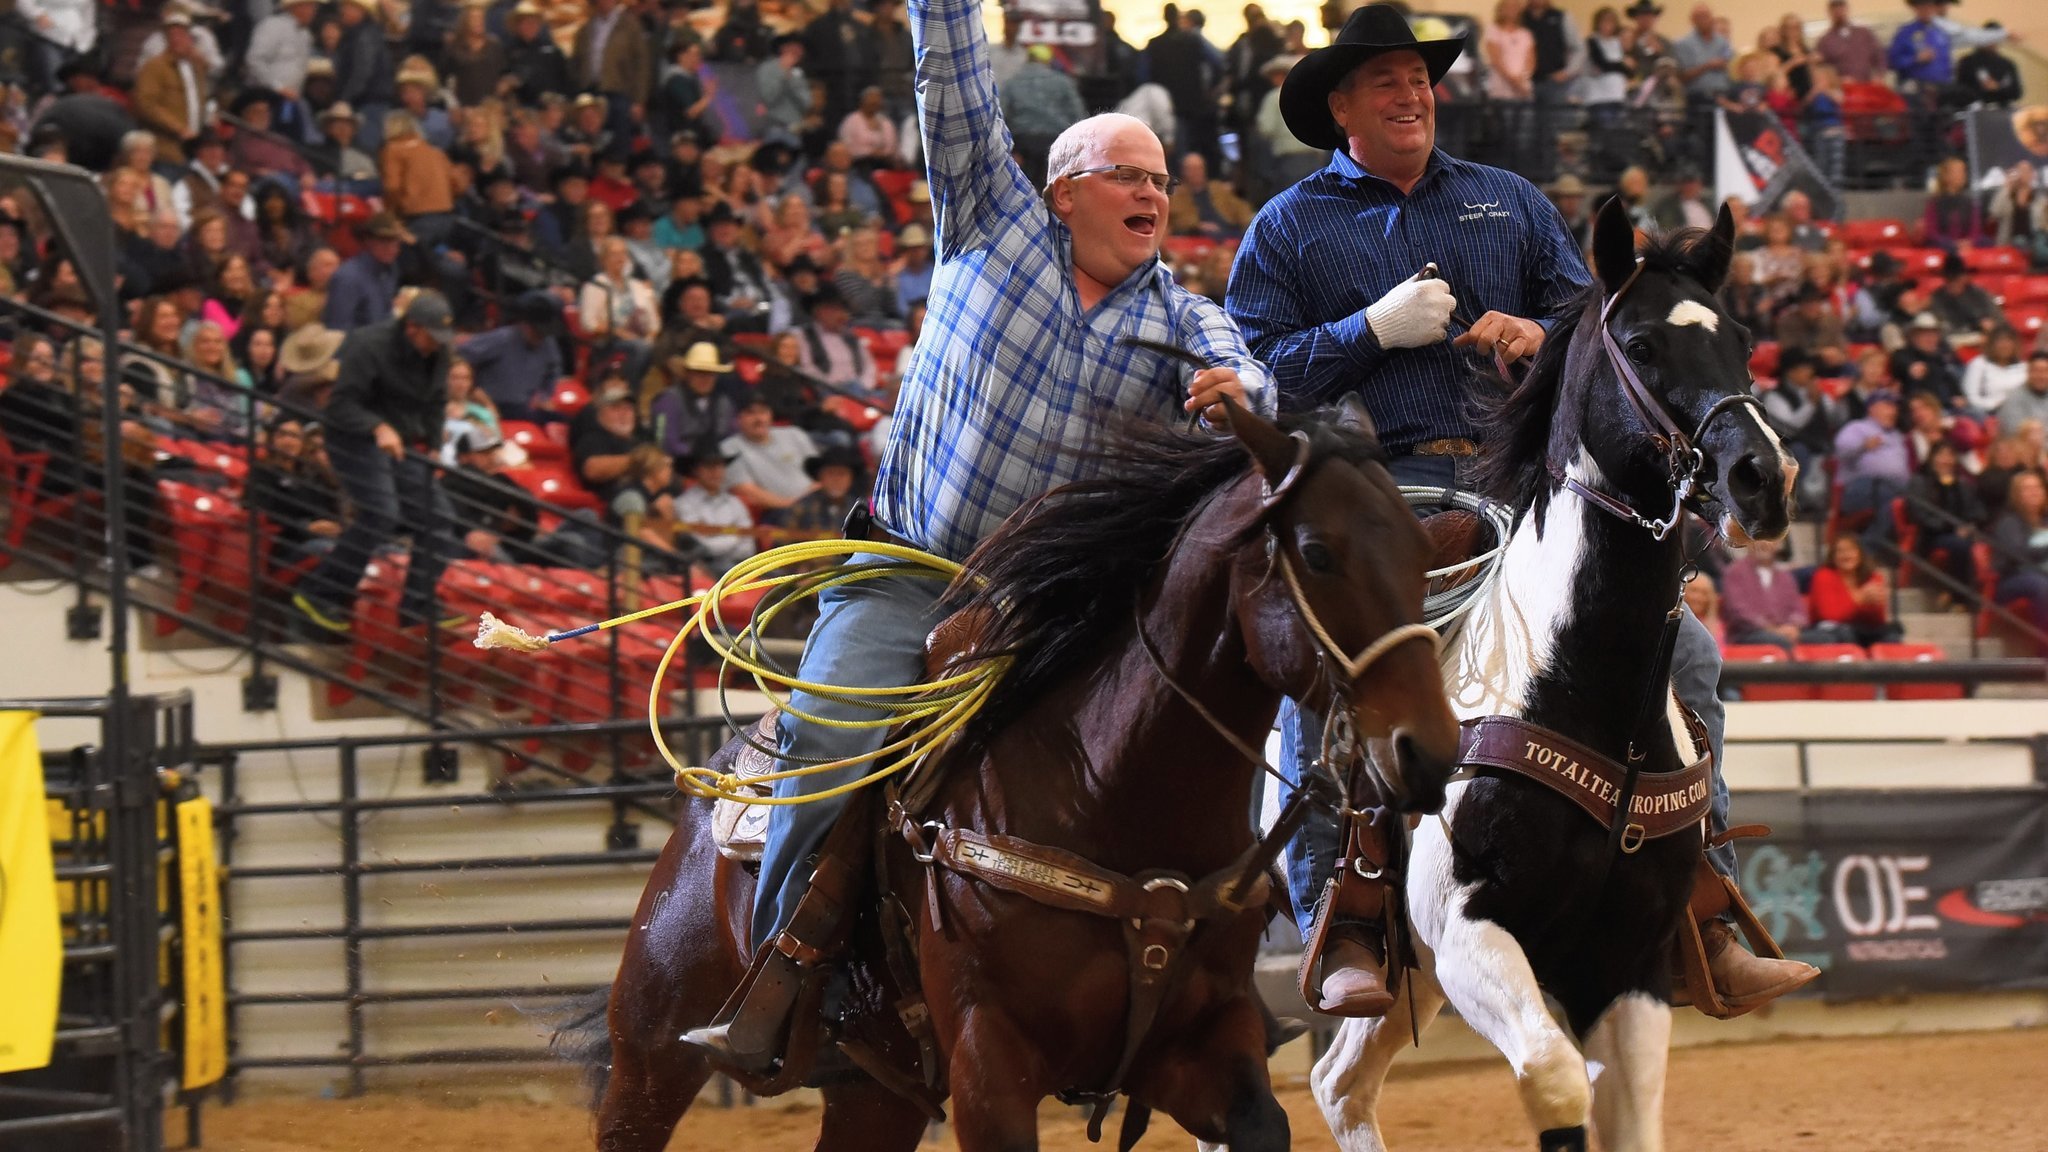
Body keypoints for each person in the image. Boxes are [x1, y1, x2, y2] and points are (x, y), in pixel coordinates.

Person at [682, 0, 1271, 1072]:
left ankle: (1181, 975)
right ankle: (781, 977)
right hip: (907, 574)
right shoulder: (989, 218)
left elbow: (1248, 373)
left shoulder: (1181, 316)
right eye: (1126, 174)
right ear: (1063, 189)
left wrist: (1247, 398)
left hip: (1046, 613)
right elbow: (948, 73)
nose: (1149, 192)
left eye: (1159, 180)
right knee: (825, 741)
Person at [1225, 2, 1810, 1017]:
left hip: (1530, 489)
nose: (1412, 94)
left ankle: (1701, 905)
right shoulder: (1285, 228)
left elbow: (1600, 328)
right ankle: (1342, 912)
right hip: (1380, 488)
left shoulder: (1507, 200)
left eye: (1418, 78)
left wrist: (1541, 339)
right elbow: (1259, 380)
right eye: (1385, 82)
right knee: (1322, 671)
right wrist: (1367, 329)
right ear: (1338, 108)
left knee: (1689, 660)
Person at [291, 290, 461, 635]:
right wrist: (378, 426)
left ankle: (417, 604)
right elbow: (340, 405)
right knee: (381, 513)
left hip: (400, 443)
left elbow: (436, 401)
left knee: (440, 519)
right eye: (431, 336)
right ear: (412, 328)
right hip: (353, 438)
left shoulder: (438, 352)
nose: (436, 345)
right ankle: (319, 591)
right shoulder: (369, 345)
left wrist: (431, 444)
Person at [456, 292, 563, 422]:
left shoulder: (548, 343)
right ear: (525, 324)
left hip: (527, 407)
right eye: (538, 332)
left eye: (544, 334)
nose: (541, 337)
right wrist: (474, 391)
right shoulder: (502, 339)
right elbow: (460, 357)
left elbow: (553, 372)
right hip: (495, 405)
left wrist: (544, 395)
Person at [1905, 439, 1986, 593]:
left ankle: (1978, 596)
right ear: (1932, 457)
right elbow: (1920, 514)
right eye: (1941, 455)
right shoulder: (1920, 481)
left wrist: (1971, 525)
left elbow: (1977, 510)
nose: (1946, 460)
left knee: (1982, 545)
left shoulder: (1963, 484)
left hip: (1962, 533)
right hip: (1932, 535)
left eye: (1950, 456)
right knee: (1961, 545)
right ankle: (1960, 595)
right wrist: (1953, 528)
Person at [1719, 536, 1822, 651]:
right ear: (1747, 542)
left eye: (1770, 539)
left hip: (1785, 632)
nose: (1764, 543)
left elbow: (1798, 610)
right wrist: (1772, 629)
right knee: (1780, 642)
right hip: (1747, 634)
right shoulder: (1734, 572)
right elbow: (1739, 612)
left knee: (1823, 638)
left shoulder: (1785, 577)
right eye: (1758, 538)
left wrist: (1792, 627)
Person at [674, 438, 756, 573]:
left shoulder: (735, 503)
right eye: (708, 466)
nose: (715, 471)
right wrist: (735, 536)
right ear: (695, 470)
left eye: (719, 465)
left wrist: (717, 539)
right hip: (706, 568)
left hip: (741, 566)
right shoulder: (684, 504)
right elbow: (700, 547)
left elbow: (748, 547)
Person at [1808, 533, 1901, 646]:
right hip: (1831, 629)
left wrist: (1876, 605)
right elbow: (1830, 615)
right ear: (1833, 556)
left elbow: (1878, 620)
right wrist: (1860, 599)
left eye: (1851, 550)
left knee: (1892, 633)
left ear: (1860, 554)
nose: (1846, 555)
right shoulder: (1823, 576)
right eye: (1840, 551)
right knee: (1846, 633)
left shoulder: (1873, 577)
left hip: (1864, 629)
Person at [1989, 471, 2048, 636]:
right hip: (2013, 578)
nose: (2034, 492)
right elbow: (2017, 554)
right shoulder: (2009, 522)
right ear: (2017, 495)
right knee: (2042, 585)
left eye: (2037, 487)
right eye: (2027, 489)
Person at [324, 212, 407, 329]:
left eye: (397, 242)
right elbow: (337, 329)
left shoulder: (392, 269)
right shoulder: (347, 278)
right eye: (385, 242)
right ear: (369, 241)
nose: (393, 249)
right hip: (358, 343)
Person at [1168, 152, 1252, 238]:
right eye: (1191, 169)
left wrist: (1249, 221)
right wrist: (1198, 225)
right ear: (1184, 171)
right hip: (1201, 236)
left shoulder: (1217, 188)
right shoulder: (1178, 195)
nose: (1196, 172)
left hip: (1230, 230)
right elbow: (1177, 221)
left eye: (1199, 168)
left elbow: (1240, 207)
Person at [1964, 327, 2029, 415]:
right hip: (1990, 412)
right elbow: (1971, 398)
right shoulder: (1979, 364)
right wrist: (1994, 404)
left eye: (2008, 341)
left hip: (2023, 411)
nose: (2004, 345)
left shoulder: (2023, 366)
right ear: (1991, 344)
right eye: (2000, 341)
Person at [1815, 0, 1882, 83]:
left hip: (1868, 85)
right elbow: (1821, 70)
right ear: (1830, 13)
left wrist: (1879, 75)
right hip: (1843, 89)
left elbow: (1879, 55)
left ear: (1846, 10)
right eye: (1835, 11)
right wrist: (1838, 80)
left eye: (1841, 10)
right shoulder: (1824, 41)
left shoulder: (1864, 34)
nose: (1839, 14)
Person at [1999, 352, 2048, 434]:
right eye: (2036, 371)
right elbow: (2014, 432)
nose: (2040, 376)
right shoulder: (2014, 398)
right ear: (2028, 372)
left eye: (2045, 371)